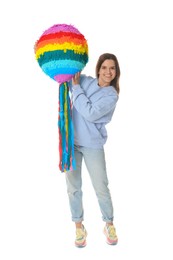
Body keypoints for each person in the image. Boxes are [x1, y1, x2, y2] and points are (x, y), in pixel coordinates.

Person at [65, 53, 120, 247]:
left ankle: (109, 223)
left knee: (101, 188)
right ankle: (79, 227)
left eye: (112, 68)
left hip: (92, 146)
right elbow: (68, 77)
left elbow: (89, 112)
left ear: (116, 72)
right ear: (98, 68)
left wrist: (77, 88)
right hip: (71, 143)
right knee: (73, 189)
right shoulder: (86, 81)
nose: (107, 72)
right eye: (104, 67)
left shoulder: (111, 95)